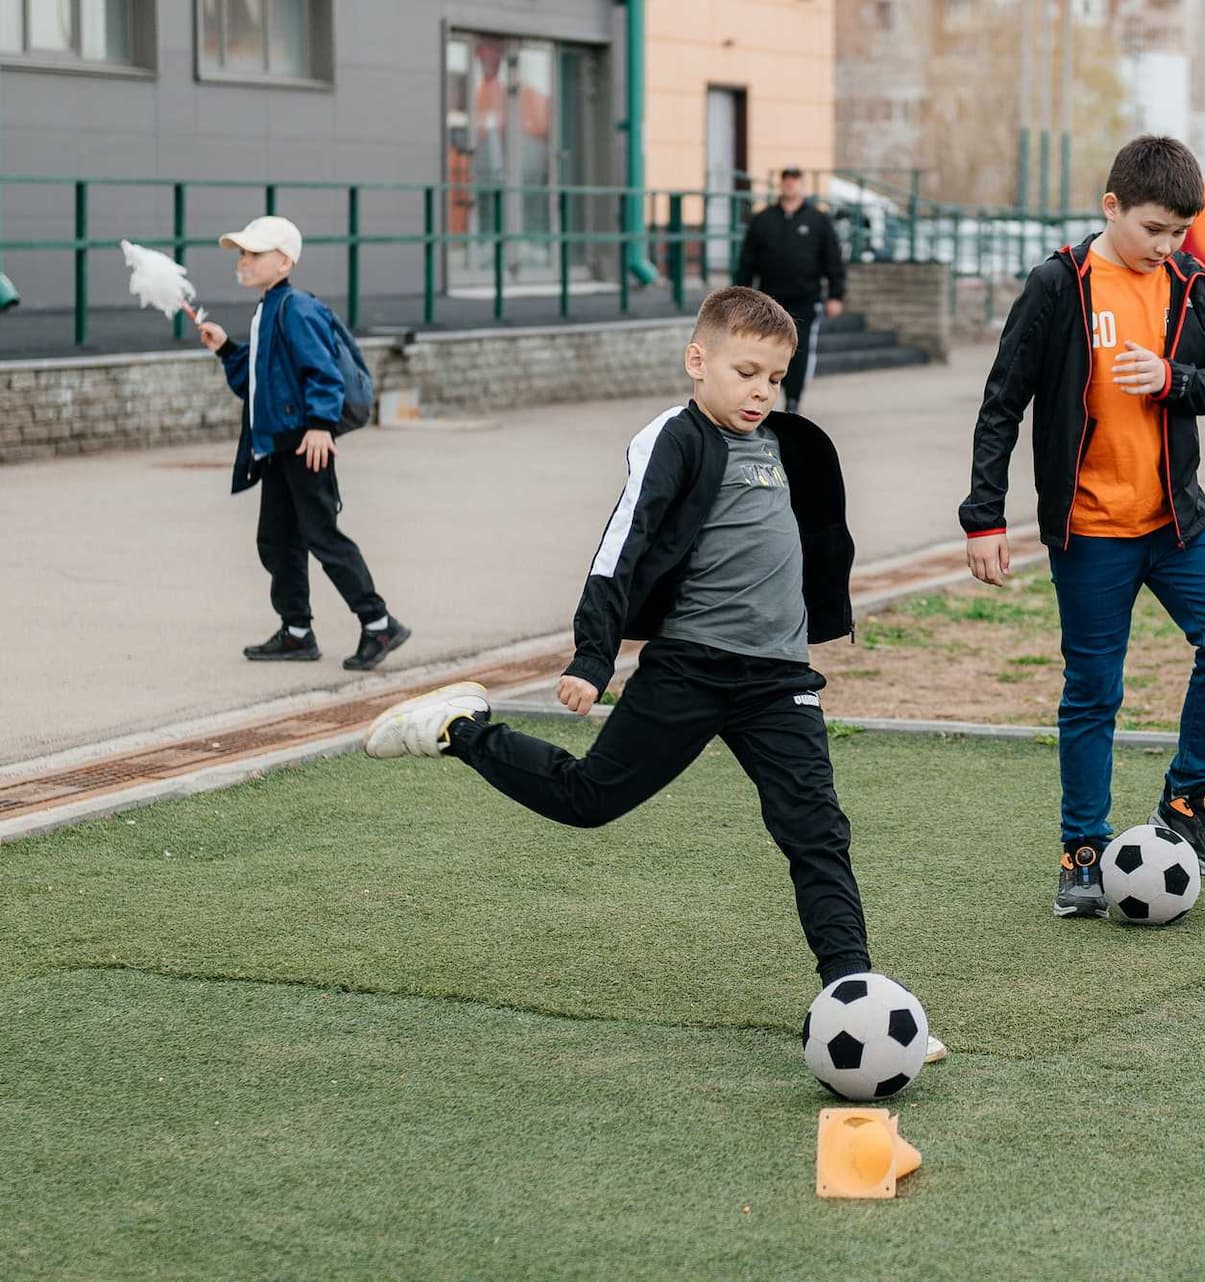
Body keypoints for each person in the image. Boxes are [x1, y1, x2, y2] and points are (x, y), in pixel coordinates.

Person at [361, 289, 943, 1050]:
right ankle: (459, 729)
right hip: (691, 669)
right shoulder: (675, 437)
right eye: (745, 373)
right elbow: (622, 545)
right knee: (587, 799)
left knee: (817, 832)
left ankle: (855, 998)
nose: (761, 392)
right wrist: (593, 656)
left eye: (775, 378)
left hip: (777, 679)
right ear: (697, 361)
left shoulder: (787, 444)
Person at [957, 135, 1205, 919]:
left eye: (1180, 232)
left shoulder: (1192, 286)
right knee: (1094, 690)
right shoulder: (1060, 285)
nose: (1166, 246)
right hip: (1090, 531)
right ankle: (1082, 851)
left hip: (1177, 523)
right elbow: (1001, 403)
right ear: (1112, 206)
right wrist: (983, 517)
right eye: (1154, 229)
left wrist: (1172, 379)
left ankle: (1188, 798)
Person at [196, 216, 409, 670]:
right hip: (277, 446)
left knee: (322, 536)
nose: (244, 260)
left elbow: (323, 373)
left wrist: (319, 425)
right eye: (242, 253)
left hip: (305, 444)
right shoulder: (269, 309)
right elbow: (259, 384)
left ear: (284, 262)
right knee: (277, 541)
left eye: (254, 253)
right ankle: (296, 632)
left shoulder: (296, 309)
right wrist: (226, 349)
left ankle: (378, 623)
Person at [734, 166, 847, 415]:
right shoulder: (763, 220)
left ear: (801, 185)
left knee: (799, 350)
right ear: (781, 184)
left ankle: (794, 399)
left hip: (805, 299)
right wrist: (740, 296)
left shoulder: (818, 220)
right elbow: (747, 262)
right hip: (770, 301)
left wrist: (836, 295)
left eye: (795, 181)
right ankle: (762, 396)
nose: (790, 185)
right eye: (786, 180)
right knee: (765, 350)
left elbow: (833, 260)